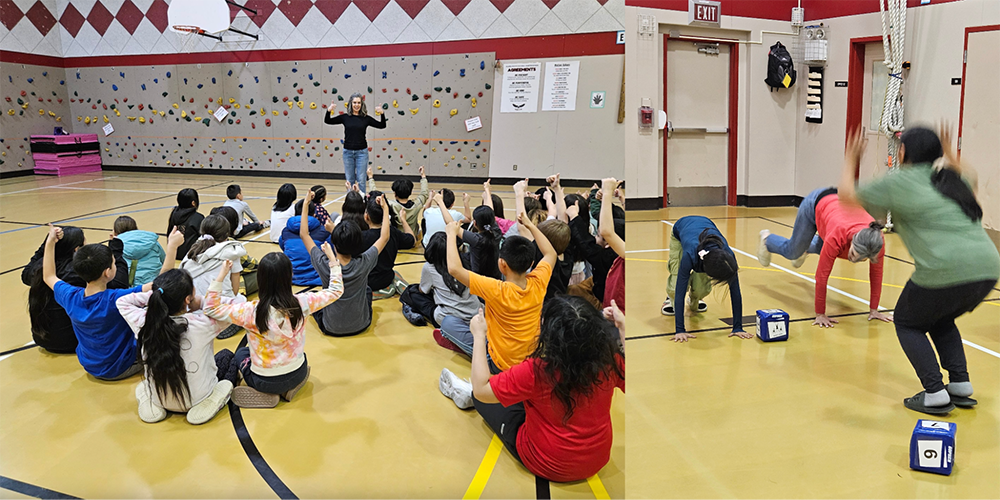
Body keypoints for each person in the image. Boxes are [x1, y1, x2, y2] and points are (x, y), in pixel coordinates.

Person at [840, 125, 1000, 415]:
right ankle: (960, 384)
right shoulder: (951, 178)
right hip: (988, 268)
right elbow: (971, 174)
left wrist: (851, 159)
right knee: (940, 318)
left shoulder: (899, 183)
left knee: (907, 321)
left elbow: (847, 197)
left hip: (945, 269)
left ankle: (935, 392)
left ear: (902, 153)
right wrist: (951, 153)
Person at [442, 297, 625, 482]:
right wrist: (623, 327)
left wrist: (479, 335)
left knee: (480, 398)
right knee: (530, 397)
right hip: (597, 460)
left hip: (546, 462)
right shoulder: (611, 361)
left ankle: (466, 393)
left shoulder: (537, 370)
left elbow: (481, 390)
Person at [440, 213, 556, 408]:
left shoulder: (497, 290)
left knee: (448, 324)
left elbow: (454, 269)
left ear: (502, 264)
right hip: (530, 362)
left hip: (500, 364)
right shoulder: (538, 281)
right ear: (531, 264)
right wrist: (530, 225)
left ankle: (473, 380)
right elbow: (550, 253)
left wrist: (451, 234)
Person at [203, 250, 344, 408]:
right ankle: (288, 390)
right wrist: (333, 261)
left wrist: (222, 275)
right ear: (289, 276)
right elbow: (336, 291)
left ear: (260, 280)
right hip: (299, 372)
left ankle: (267, 394)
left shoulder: (250, 311)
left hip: (264, 381)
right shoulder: (302, 303)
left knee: (241, 353)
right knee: (298, 354)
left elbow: (210, 308)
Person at [757, 187, 890, 327]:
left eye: (862, 259)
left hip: (833, 212)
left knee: (826, 250)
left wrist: (874, 310)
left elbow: (876, 274)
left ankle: (806, 247)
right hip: (814, 204)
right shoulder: (837, 235)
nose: (852, 260)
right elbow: (821, 276)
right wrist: (820, 313)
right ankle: (767, 240)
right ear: (853, 241)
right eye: (852, 254)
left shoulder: (876, 241)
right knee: (793, 252)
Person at [117, 269, 236, 424]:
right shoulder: (203, 323)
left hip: (160, 398)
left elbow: (122, 301)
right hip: (197, 398)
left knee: (146, 384)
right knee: (227, 357)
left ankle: (152, 403)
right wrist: (201, 301)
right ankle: (210, 401)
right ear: (187, 299)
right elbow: (236, 306)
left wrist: (156, 296)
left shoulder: (144, 322)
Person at [42, 225, 159, 380]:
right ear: (107, 272)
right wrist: (172, 248)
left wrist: (50, 242)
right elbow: (155, 286)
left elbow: (49, 276)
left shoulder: (71, 297)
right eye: (114, 263)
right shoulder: (117, 298)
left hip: (90, 366)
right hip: (122, 367)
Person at [305, 191, 391, 336]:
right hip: (361, 325)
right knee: (367, 290)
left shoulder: (324, 263)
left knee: (315, 296)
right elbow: (384, 237)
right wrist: (385, 208)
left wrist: (306, 204)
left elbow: (304, 235)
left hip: (331, 327)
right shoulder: (364, 262)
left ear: (334, 242)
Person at [662, 216, 751, 343]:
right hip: (680, 228)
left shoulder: (727, 258)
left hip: (704, 227)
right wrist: (680, 330)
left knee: (701, 288)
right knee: (676, 284)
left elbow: (735, 291)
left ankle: (694, 299)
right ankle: (669, 299)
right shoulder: (689, 255)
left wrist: (738, 327)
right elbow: (680, 291)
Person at [177, 214, 248, 339]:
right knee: (241, 299)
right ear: (227, 234)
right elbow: (235, 290)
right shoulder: (231, 251)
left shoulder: (194, 250)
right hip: (218, 308)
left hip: (193, 308)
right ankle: (226, 323)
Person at [22, 226, 88, 353]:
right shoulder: (77, 271)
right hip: (73, 341)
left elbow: (25, 273)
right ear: (76, 249)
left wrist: (49, 243)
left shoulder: (39, 268)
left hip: (43, 339)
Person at [420, 232, 482, 355]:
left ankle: (452, 337)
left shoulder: (429, 267)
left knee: (414, 294)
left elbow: (423, 290)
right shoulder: (463, 261)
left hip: (450, 317)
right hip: (476, 312)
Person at [325, 92, 387, 194]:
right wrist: (329, 110)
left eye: (359, 102)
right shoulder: (345, 117)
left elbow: (382, 125)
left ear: (362, 104)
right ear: (351, 103)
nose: (357, 105)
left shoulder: (366, 118)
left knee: (361, 180)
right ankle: (351, 201)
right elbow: (328, 121)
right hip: (348, 152)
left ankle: (362, 200)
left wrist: (382, 113)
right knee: (350, 180)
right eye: (354, 102)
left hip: (362, 153)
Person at [362, 190, 415, 299]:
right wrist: (403, 220)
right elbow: (412, 240)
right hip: (386, 280)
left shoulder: (361, 237)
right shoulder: (393, 232)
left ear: (366, 216)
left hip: (366, 282)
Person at [367, 165, 429, 238]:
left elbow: (375, 194)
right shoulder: (417, 204)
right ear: (410, 193)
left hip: (395, 238)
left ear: (395, 193)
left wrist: (370, 177)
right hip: (411, 237)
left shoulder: (389, 204)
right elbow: (424, 193)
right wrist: (423, 176)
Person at [280, 199, 330, 286]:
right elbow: (331, 251)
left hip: (291, 276)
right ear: (314, 214)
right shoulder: (323, 231)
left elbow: (282, 245)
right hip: (317, 276)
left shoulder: (286, 231)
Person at [113, 216, 166, 287]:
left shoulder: (116, 248)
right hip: (155, 285)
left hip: (129, 289)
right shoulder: (152, 242)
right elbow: (165, 261)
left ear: (115, 232)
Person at [167, 188, 204, 260]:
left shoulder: (174, 214)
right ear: (193, 203)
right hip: (191, 256)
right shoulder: (198, 217)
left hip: (174, 253)